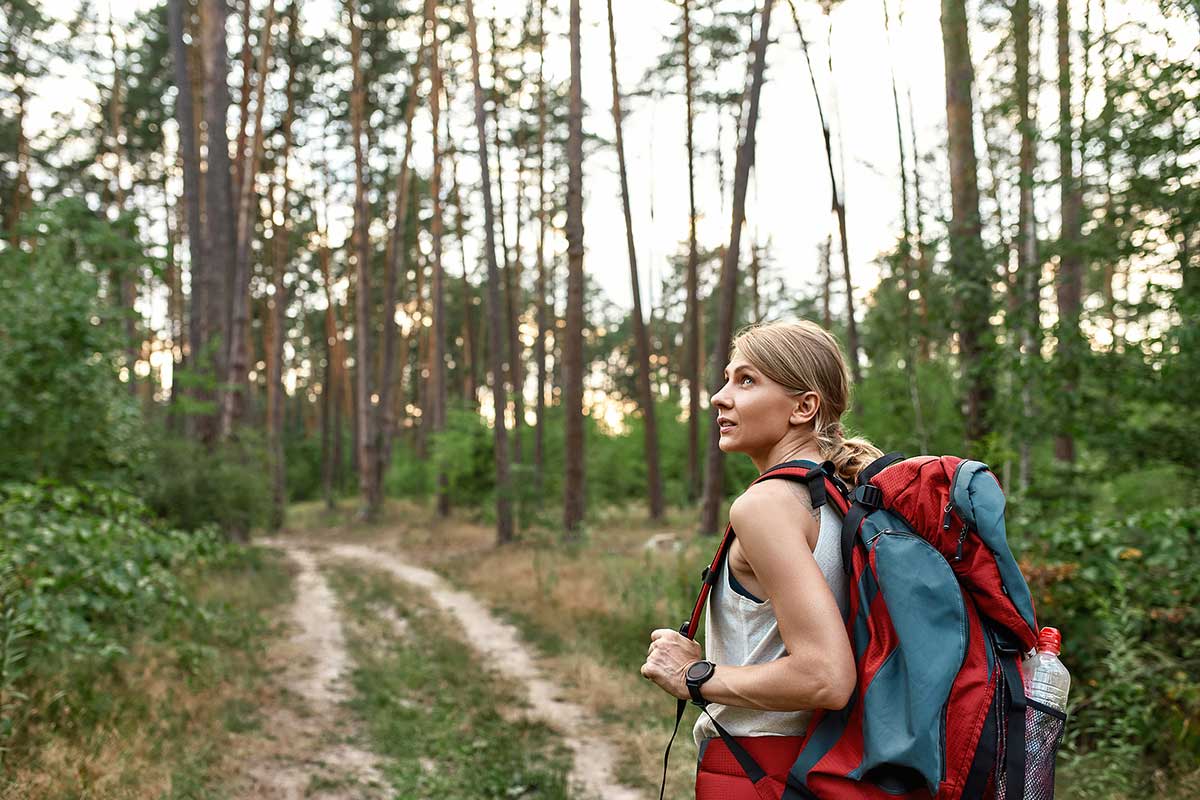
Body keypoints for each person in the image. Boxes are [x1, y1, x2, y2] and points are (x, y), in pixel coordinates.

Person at [639, 319, 883, 799]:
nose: (720, 397)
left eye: (746, 380)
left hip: (761, 770)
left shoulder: (767, 505)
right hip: (836, 763)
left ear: (804, 407)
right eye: (728, 378)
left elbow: (826, 676)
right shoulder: (844, 494)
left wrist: (694, 676)